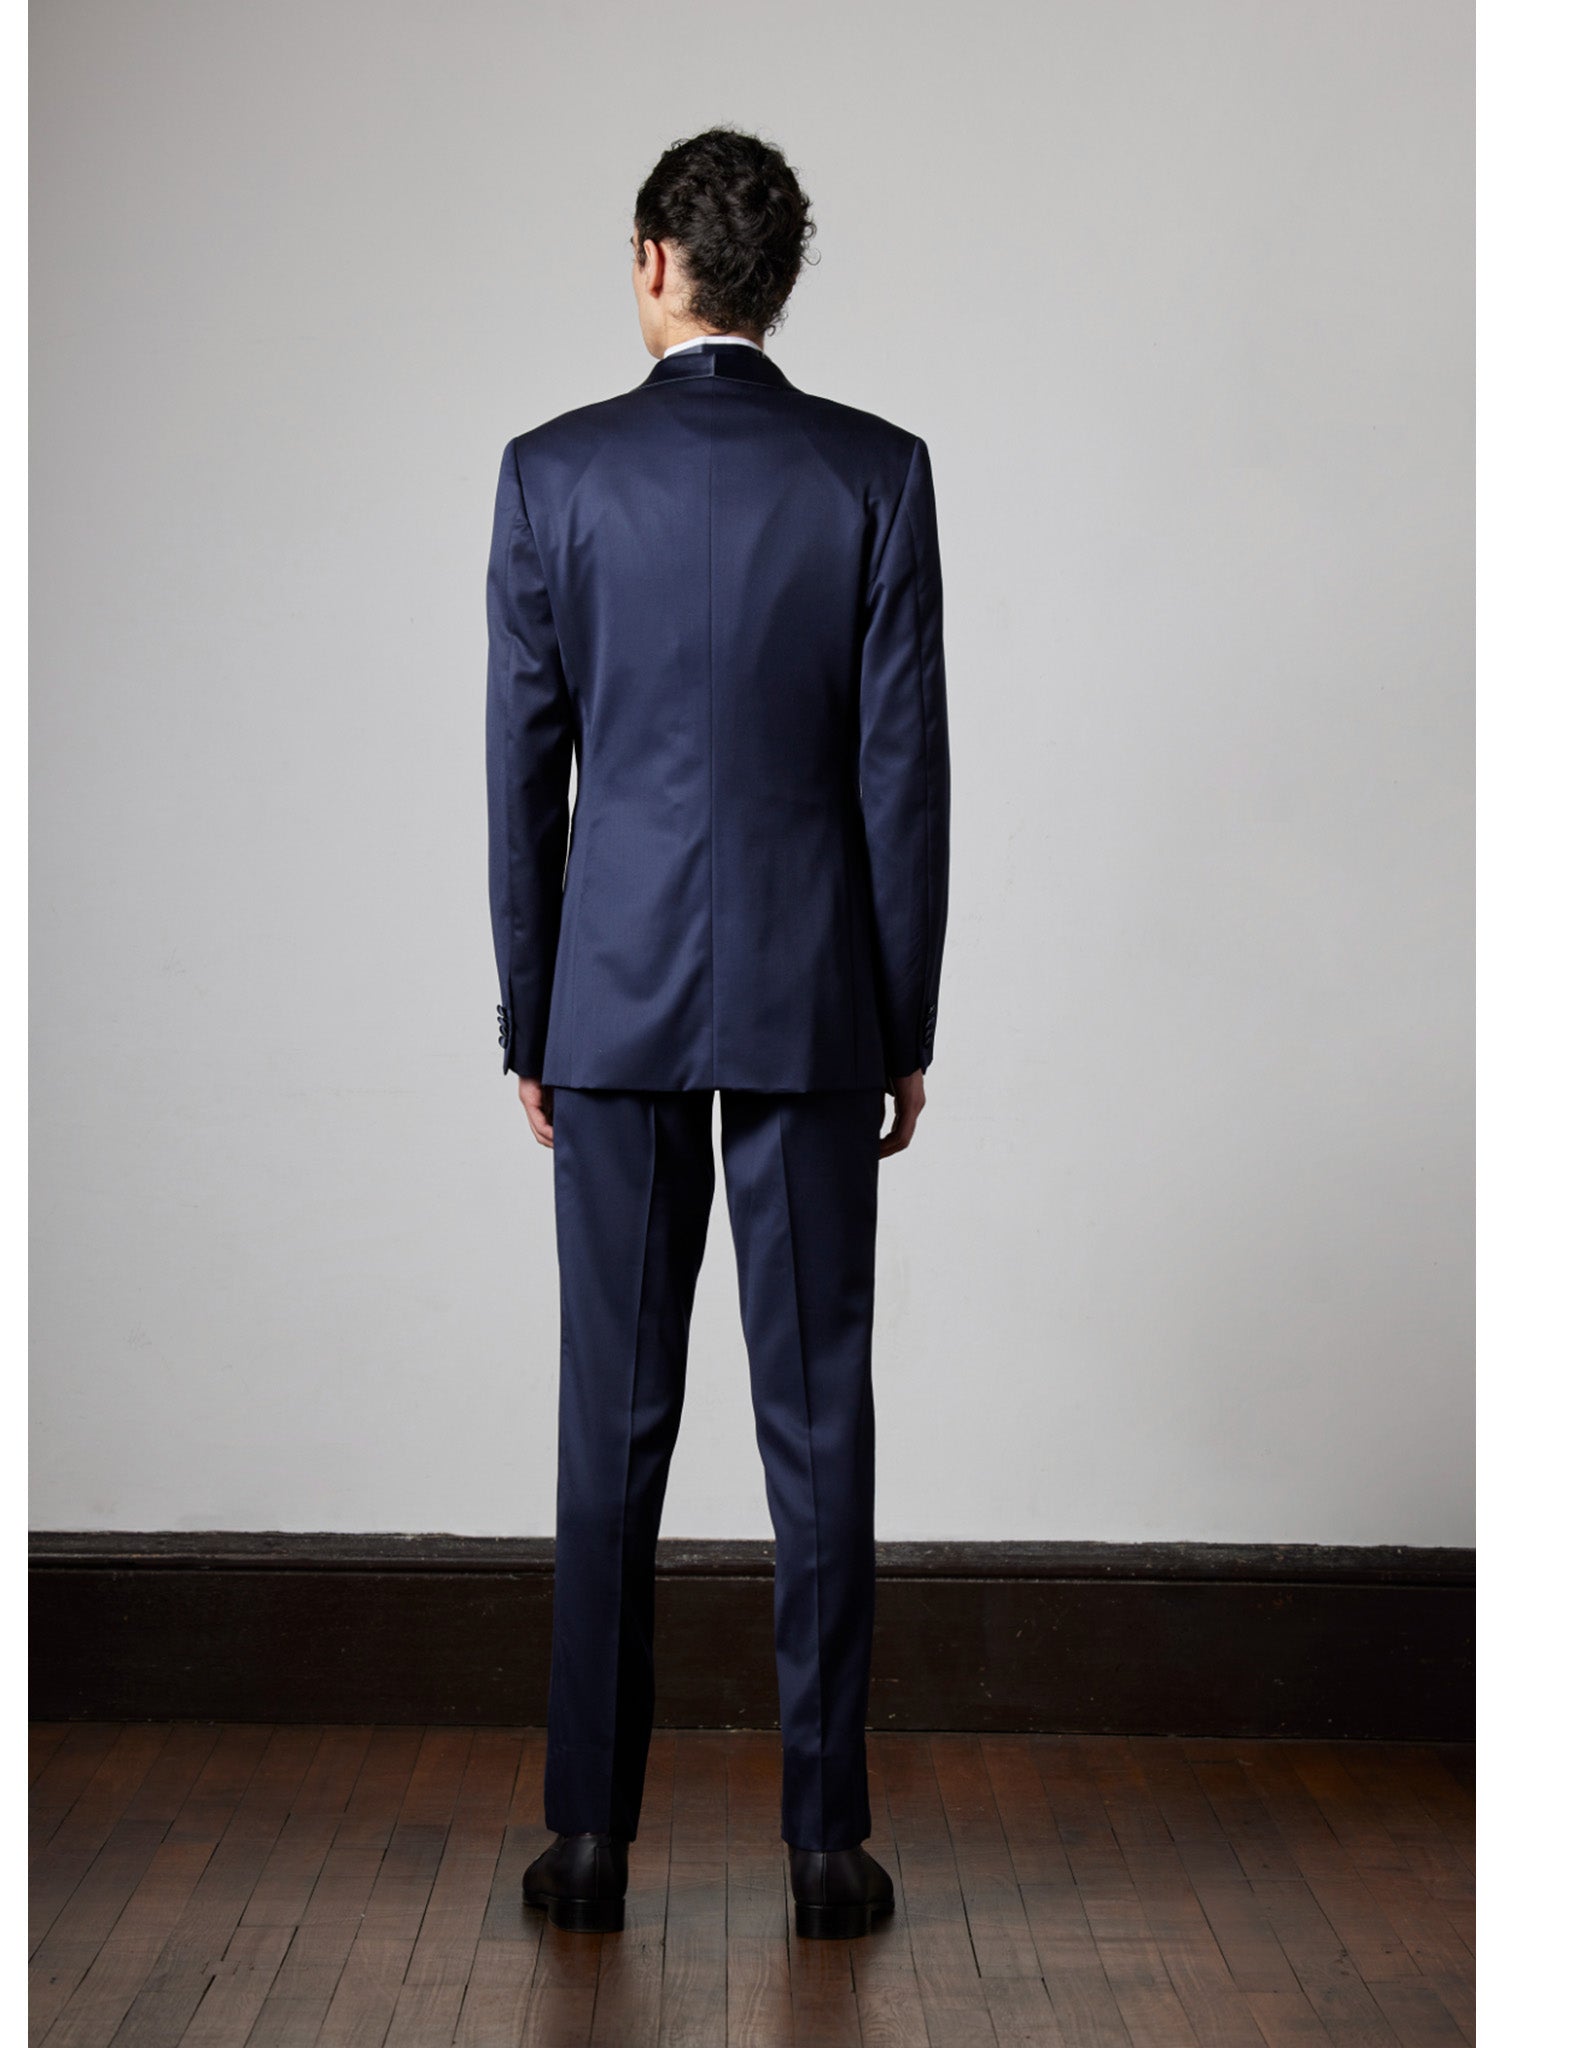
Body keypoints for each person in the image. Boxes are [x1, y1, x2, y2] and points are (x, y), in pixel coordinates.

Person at [485, 127, 949, 1942]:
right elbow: (900, 774)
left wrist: (532, 1011)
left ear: (650, 260)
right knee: (817, 1419)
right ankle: (825, 1845)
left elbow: (524, 772)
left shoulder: (551, 475)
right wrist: (901, 1017)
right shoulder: (875, 474)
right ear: (781, 277)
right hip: (817, 997)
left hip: (607, 1003)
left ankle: (588, 1840)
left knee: (607, 1420)